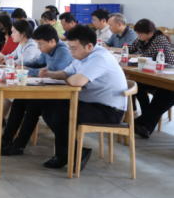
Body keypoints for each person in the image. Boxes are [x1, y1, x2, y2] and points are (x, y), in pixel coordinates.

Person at [34, 25, 128, 172]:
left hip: (108, 111)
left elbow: (76, 82)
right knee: (48, 110)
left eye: (74, 49)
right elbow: (66, 73)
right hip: (89, 104)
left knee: (60, 113)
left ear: (89, 46)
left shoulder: (99, 58)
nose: (71, 52)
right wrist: (50, 74)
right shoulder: (81, 56)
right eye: (69, 48)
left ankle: (68, 155)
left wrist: (70, 78)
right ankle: (73, 152)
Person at [0, 24, 75, 155]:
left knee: (32, 106)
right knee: (19, 101)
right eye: (37, 44)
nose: (38, 47)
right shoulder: (48, 49)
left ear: (52, 41)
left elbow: (49, 72)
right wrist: (20, 65)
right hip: (47, 89)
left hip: (61, 94)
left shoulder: (63, 52)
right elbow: (38, 63)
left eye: (40, 44)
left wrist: (26, 69)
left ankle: (18, 145)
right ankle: (6, 140)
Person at [128, 19, 174, 139]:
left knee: (167, 92)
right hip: (151, 73)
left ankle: (143, 122)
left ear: (150, 33)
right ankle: (144, 121)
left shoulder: (159, 39)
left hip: (165, 74)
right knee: (135, 84)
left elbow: (146, 56)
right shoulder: (141, 39)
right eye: (137, 33)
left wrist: (133, 56)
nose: (138, 36)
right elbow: (129, 49)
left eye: (140, 33)